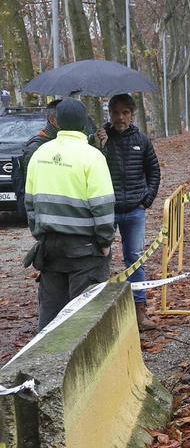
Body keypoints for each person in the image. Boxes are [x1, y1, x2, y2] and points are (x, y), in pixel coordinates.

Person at [23, 98, 115, 330]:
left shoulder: (40, 154)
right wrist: (105, 241)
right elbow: (102, 206)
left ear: (58, 122)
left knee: (51, 317)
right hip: (85, 250)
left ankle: (46, 362)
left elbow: (30, 203)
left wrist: (40, 235)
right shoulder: (93, 157)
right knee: (85, 318)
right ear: (84, 123)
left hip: (49, 248)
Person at [101, 93, 161, 330]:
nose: (120, 117)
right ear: (110, 114)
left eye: (125, 113)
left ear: (132, 114)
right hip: (107, 209)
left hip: (135, 210)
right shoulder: (103, 140)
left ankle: (139, 312)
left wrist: (146, 201)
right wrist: (99, 144)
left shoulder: (142, 141)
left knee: (134, 259)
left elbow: (154, 171)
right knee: (100, 259)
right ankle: (102, 315)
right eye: (116, 112)